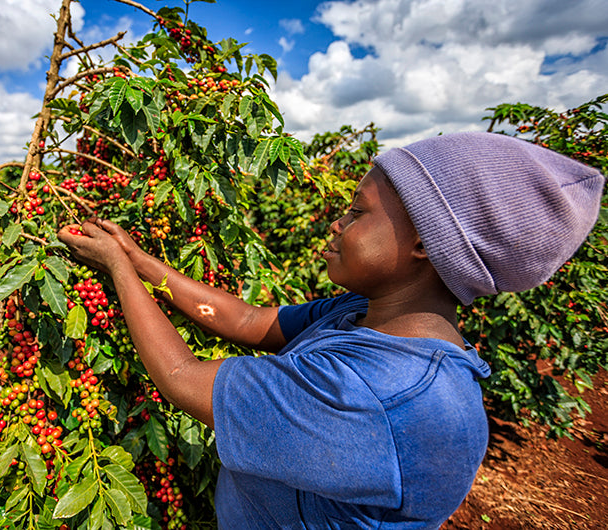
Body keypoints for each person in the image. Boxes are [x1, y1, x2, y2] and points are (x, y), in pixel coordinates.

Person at [57, 132, 605, 529]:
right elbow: (250, 321)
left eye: (357, 212)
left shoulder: (378, 395)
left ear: (424, 245)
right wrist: (138, 257)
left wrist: (118, 271)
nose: (336, 222)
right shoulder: (364, 315)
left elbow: (182, 377)